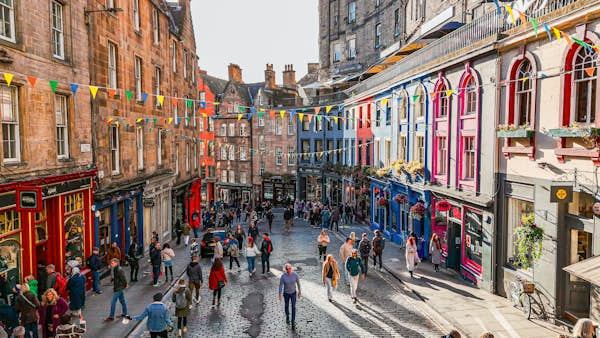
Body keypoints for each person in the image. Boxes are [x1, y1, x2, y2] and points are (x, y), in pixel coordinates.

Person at [278, 263, 301, 330]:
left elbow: (298, 284)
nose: (288, 270)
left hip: (293, 293)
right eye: (287, 269)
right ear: (285, 269)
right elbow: (280, 286)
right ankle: (287, 316)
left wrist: (299, 292)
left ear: (291, 268)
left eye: (290, 268)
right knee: (286, 306)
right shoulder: (283, 276)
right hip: (286, 294)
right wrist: (279, 294)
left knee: (293, 307)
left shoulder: (295, 275)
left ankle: (293, 321)